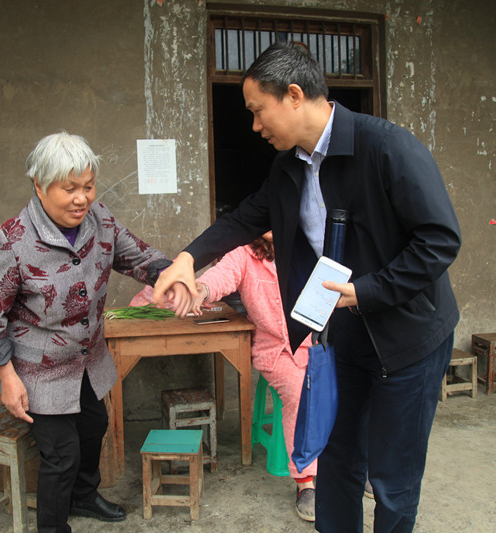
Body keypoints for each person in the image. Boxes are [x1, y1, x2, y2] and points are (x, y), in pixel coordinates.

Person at [153, 41, 461, 532]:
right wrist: (187, 260)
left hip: (410, 339)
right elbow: (245, 218)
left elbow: (439, 240)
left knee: (392, 477)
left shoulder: (386, 147)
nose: (255, 126)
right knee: (336, 458)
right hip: (345, 335)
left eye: (258, 110)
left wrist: (368, 291)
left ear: (294, 95)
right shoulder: (290, 166)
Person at [0, 131, 187, 533]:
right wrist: (7, 378)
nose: (81, 198)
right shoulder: (13, 241)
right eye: (69, 188)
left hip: (86, 360)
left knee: (93, 426)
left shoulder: (100, 220)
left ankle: (83, 496)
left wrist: (171, 275)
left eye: (88, 186)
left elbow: (138, 256)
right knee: (62, 454)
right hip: (36, 371)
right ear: (39, 185)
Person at [132, 232, 319, 521]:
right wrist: (199, 291)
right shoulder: (245, 255)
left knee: (349, 383)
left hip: (317, 343)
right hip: (277, 349)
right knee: (298, 391)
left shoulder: (311, 247)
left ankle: (355, 462)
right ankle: (305, 482)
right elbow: (218, 279)